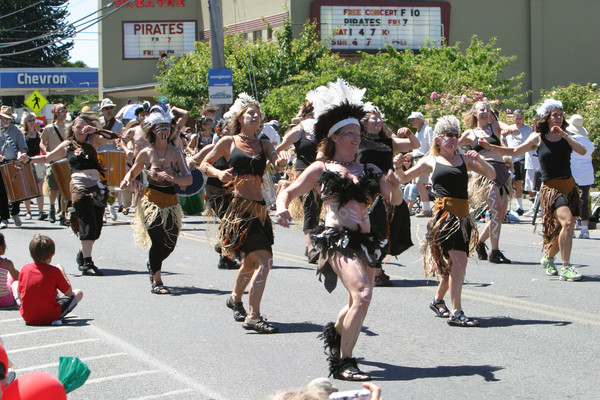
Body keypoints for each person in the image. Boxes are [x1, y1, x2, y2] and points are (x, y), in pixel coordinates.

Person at [276, 79, 403, 380]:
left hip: (367, 241)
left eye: (359, 133)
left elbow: (394, 200)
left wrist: (397, 185)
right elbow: (289, 191)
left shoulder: (370, 170)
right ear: (334, 137)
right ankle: (344, 362)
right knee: (363, 294)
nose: (357, 138)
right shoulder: (322, 169)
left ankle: (336, 337)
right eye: (350, 133)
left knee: (356, 302)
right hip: (337, 240)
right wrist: (281, 207)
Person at [396, 115, 495, 327]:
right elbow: (403, 179)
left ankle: (438, 300)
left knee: (453, 264)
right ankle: (456, 312)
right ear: (438, 140)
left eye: (455, 135)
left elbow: (493, 174)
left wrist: (480, 159)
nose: (452, 138)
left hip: (463, 217)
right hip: (445, 219)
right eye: (447, 135)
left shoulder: (465, 160)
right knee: (460, 262)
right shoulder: (430, 160)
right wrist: (398, 166)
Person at [200, 93, 284, 333]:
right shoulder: (229, 141)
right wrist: (218, 174)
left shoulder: (264, 144)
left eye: (258, 114)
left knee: (250, 262)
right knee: (265, 262)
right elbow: (204, 164)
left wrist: (283, 159)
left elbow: (277, 162)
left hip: (259, 210)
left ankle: (235, 299)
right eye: (251, 113)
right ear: (240, 117)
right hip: (239, 210)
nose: (256, 116)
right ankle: (253, 315)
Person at [477, 99, 586, 281]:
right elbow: (514, 151)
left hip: (569, 188)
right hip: (551, 190)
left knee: (564, 228)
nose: (558, 118)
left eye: (560, 115)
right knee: (567, 223)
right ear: (547, 118)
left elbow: (582, 151)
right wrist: (490, 147)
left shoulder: (567, 136)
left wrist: (565, 136)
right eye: (554, 115)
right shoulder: (538, 138)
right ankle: (566, 267)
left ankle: (549, 257)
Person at [29, 115, 119, 276]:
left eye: (85, 128)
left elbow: (114, 137)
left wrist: (95, 130)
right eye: (78, 127)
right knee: (88, 223)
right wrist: (28, 159)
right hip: (79, 186)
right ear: (72, 128)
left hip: (97, 186)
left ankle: (82, 253)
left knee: (96, 228)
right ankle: (87, 262)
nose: (81, 130)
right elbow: (47, 158)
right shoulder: (67, 145)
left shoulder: (94, 141)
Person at [120, 107, 192, 294]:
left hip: (171, 201)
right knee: (158, 238)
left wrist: (173, 179)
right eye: (160, 127)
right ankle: (157, 281)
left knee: (169, 243)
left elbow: (189, 178)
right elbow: (134, 171)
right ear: (153, 129)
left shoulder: (176, 153)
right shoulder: (145, 153)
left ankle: (153, 263)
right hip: (150, 201)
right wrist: (127, 179)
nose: (165, 130)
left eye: (167, 126)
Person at [358, 103, 419, 286]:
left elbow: (415, 145)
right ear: (364, 122)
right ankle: (375, 269)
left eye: (379, 118)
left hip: (388, 189)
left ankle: (375, 266)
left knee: (386, 231)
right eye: (373, 118)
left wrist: (408, 132)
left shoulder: (388, 142)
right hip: (366, 190)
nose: (378, 121)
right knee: (373, 228)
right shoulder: (356, 140)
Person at [458, 101, 517, 264]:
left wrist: (510, 129)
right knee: (496, 210)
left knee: (500, 214)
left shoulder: (496, 126)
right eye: (481, 110)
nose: (485, 112)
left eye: (487, 110)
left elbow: (515, 130)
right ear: (475, 113)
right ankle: (495, 251)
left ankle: (479, 242)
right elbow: (452, 147)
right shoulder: (470, 133)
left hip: (502, 172)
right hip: (484, 174)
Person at [275, 102, 320, 263]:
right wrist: (278, 161)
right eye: (310, 115)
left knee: (320, 210)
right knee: (310, 207)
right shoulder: (297, 132)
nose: (313, 118)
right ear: (304, 117)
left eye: (316, 115)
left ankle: (312, 241)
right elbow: (278, 149)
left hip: (321, 177)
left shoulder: (323, 133)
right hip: (303, 176)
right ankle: (311, 248)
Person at [17, 234, 84, 325]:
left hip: (28, 316)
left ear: (31, 254)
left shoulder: (25, 269)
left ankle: (26, 307)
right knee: (78, 293)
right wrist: (62, 272)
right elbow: (68, 293)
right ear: (51, 254)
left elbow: (21, 292)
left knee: (14, 284)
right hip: (50, 316)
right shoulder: (55, 271)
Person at [0, 106, 29, 229]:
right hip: (0, 164)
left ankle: (15, 212)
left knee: (16, 190)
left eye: (9, 119)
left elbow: (22, 145)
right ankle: (4, 217)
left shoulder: (16, 130)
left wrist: (22, 152)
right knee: (1, 191)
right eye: (5, 118)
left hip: (13, 162)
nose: (7, 121)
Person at [566, 114, 595, 239]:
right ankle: (585, 229)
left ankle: (571, 229)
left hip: (573, 174)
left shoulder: (570, 141)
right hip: (586, 174)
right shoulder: (589, 142)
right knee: (584, 202)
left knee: (570, 201)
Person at [41, 104, 70, 224]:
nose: (63, 113)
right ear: (55, 113)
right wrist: (46, 153)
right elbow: (42, 142)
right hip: (53, 162)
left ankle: (63, 213)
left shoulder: (70, 127)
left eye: (65, 110)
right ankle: (52, 208)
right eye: (61, 111)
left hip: (66, 161)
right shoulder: (49, 128)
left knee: (65, 190)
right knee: (53, 189)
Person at [98, 98, 126, 220]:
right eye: (106, 108)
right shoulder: (98, 123)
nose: (109, 110)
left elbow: (122, 138)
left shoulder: (119, 124)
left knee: (114, 184)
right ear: (102, 110)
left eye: (111, 108)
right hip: (100, 155)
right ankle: (102, 210)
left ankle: (111, 205)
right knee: (101, 184)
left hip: (114, 155)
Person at [505, 110, 533, 216]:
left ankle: (529, 205)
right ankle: (516, 206)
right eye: (516, 118)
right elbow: (502, 139)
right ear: (513, 118)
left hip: (523, 158)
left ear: (523, 119)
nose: (518, 121)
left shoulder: (527, 130)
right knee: (514, 183)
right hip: (511, 159)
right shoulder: (509, 129)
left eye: (520, 118)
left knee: (523, 182)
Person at [20, 112, 47, 221]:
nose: (32, 122)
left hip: (38, 162)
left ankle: (41, 211)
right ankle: (28, 211)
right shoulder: (22, 135)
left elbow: (43, 147)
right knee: (28, 187)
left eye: (33, 120)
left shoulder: (39, 135)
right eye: (30, 120)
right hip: (27, 163)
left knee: (40, 187)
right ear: (25, 122)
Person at [408, 111, 434, 217]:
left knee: (421, 183)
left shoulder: (427, 130)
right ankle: (425, 208)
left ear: (420, 119)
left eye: (413, 119)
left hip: (424, 160)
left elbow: (433, 145)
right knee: (419, 184)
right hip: (417, 159)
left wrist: (424, 158)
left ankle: (426, 209)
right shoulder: (417, 132)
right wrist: (410, 154)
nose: (411, 122)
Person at [0, 233, 19, 308]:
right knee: (11, 277)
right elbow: (17, 278)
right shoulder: (7, 263)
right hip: (4, 301)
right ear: (1, 247)